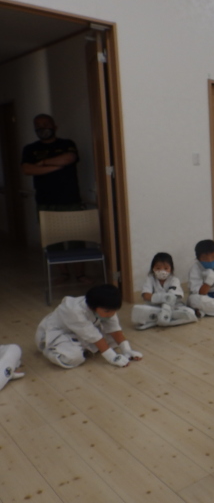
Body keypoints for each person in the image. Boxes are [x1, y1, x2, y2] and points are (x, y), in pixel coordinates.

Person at [21, 114, 89, 283]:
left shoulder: (66, 144)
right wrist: (57, 167)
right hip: (45, 202)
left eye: (45, 124)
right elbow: (28, 169)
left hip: (70, 200)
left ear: (54, 126)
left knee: (76, 239)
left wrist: (43, 163)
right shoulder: (30, 149)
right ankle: (63, 274)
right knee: (52, 240)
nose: (42, 127)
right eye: (38, 125)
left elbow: (69, 158)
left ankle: (80, 274)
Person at [35, 284, 143, 369]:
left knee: (113, 340)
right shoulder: (73, 311)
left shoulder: (106, 306)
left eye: (114, 311)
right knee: (74, 358)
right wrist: (112, 357)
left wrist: (127, 350)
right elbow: (93, 336)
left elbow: (114, 328)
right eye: (107, 311)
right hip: (60, 333)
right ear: (93, 307)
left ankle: (81, 347)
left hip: (82, 332)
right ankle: (49, 349)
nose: (111, 314)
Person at [131, 252, 200, 329]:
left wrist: (164, 302)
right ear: (153, 268)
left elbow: (172, 297)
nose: (162, 271)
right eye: (158, 268)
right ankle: (165, 318)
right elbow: (146, 295)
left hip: (173, 307)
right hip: (155, 306)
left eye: (166, 268)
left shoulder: (174, 280)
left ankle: (158, 320)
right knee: (139, 312)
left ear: (171, 269)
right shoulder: (150, 279)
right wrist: (162, 298)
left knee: (190, 312)